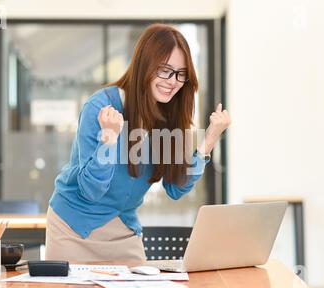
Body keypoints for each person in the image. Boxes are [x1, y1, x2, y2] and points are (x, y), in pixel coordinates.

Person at [45, 23, 231, 263]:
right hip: (74, 229)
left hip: (124, 232)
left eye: (180, 73)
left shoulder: (167, 118)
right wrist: (109, 141)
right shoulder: (101, 107)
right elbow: (91, 191)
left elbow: (175, 189)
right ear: (145, 65)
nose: (172, 81)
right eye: (165, 70)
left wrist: (208, 142)